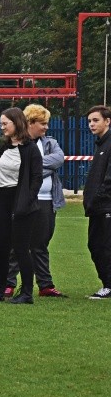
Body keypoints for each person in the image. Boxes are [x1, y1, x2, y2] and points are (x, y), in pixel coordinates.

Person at [6, 104, 68, 297]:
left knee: (41, 244)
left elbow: (59, 159)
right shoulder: (16, 143)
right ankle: (8, 283)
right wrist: (36, 167)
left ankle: (45, 285)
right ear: (30, 123)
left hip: (47, 200)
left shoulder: (50, 143)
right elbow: (17, 167)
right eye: (43, 123)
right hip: (22, 200)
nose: (46, 127)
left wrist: (34, 165)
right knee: (17, 243)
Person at [0, 108, 42, 304]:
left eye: (4, 123)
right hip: (3, 199)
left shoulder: (30, 149)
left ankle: (26, 292)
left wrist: (26, 201)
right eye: (1, 124)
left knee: (20, 248)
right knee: (1, 247)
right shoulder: (4, 147)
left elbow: (36, 178)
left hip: (22, 201)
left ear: (16, 123)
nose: (2, 127)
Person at [83, 104, 111, 299]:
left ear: (107, 121)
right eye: (90, 121)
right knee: (95, 245)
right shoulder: (100, 144)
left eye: (96, 120)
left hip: (106, 206)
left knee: (104, 246)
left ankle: (109, 285)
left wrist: (98, 196)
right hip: (97, 206)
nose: (92, 124)